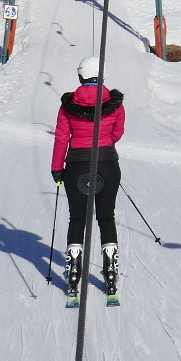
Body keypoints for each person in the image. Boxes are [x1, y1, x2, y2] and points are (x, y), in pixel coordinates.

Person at [52, 55, 125, 298]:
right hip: (107, 163)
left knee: (77, 218)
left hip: (75, 165)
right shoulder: (115, 103)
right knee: (106, 217)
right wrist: (104, 144)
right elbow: (117, 133)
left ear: (81, 76)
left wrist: (57, 168)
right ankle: (111, 269)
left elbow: (62, 137)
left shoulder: (68, 105)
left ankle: (74, 269)